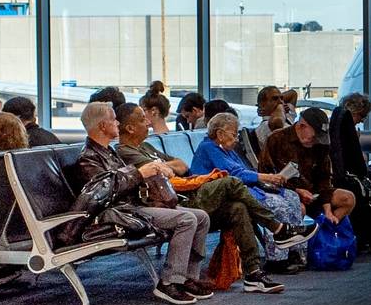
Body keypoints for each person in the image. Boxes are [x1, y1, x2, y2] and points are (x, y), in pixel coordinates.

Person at [117, 106, 309, 293]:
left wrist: (163, 166)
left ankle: (253, 274)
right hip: (181, 199)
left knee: (238, 208)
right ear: (130, 128)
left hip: (188, 194)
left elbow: (182, 166)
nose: (149, 122)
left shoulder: (146, 146)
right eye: (142, 120)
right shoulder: (126, 151)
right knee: (230, 181)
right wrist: (163, 167)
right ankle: (278, 229)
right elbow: (163, 171)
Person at [71, 101, 211, 305]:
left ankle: (188, 277)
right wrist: (139, 173)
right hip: (119, 212)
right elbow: (102, 192)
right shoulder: (88, 157)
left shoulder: (109, 152)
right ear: (102, 126)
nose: (117, 123)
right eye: (113, 119)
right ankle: (170, 282)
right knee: (186, 219)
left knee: (201, 216)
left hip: (133, 207)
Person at [192, 110, 312, 271]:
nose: (236, 140)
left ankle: (296, 251)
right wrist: (268, 177)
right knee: (276, 205)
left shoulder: (226, 149)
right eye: (233, 135)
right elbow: (235, 174)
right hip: (221, 197)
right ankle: (277, 259)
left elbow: (243, 171)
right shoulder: (209, 148)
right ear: (220, 134)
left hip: (241, 190)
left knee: (292, 198)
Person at [260, 106, 356, 221]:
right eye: (314, 137)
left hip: (315, 194)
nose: (316, 141)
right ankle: (304, 236)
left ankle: (326, 231)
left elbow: (324, 177)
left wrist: (327, 208)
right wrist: (296, 192)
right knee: (298, 208)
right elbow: (264, 176)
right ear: (301, 126)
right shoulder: (276, 139)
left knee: (348, 198)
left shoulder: (321, 144)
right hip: (284, 192)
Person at [329, 93, 371, 189]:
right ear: (354, 111)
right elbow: (359, 164)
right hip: (346, 176)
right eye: (362, 116)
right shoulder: (346, 130)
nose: (362, 121)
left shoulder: (334, 125)